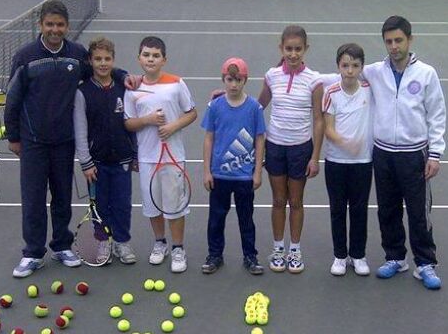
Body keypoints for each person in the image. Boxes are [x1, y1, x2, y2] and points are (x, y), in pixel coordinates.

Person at [5, 0, 132, 278]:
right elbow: (12, 99)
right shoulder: (25, 57)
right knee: (34, 198)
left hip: (64, 142)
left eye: (60, 25)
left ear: (67, 27)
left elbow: (101, 70)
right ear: (41, 25)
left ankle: (62, 246)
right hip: (33, 141)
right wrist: (13, 135)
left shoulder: (76, 55)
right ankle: (33, 253)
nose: (54, 29)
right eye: (49, 24)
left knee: (62, 197)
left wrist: (122, 74)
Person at [362, 15, 446, 290]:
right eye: (389, 41)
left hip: (415, 155)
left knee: (419, 212)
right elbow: (342, 74)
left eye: (399, 40)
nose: (394, 46)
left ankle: (425, 263)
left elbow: (436, 114)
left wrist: (435, 153)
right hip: (383, 153)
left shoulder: (426, 74)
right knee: (387, 209)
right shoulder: (374, 71)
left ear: (410, 40)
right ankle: (395, 257)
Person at [123, 36, 197, 273]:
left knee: (175, 207)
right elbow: (129, 123)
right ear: (139, 58)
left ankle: (178, 249)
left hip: (173, 157)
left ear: (164, 60)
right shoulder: (133, 89)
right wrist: (149, 120)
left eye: (156, 55)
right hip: (147, 158)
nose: (150, 59)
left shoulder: (176, 83)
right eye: (146, 55)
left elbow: (191, 113)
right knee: (153, 207)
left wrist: (172, 126)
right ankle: (160, 244)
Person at [258, 25, 324, 274]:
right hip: (275, 147)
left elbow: (319, 120)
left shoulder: (314, 81)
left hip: (300, 149)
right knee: (277, 200)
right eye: (289, 49)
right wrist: (227, 98)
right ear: (281, 48)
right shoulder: (272, 75)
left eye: (298, 49)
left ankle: (294, 249)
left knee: (295, 201)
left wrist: (315, 157)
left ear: (306, 49)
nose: (293, 54)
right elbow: (258, 106)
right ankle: (278, 248)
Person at [73, 37, 138, 265]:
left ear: (113, 60)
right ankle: (103, 241)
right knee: (99, 206)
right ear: (90, 61)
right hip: (96, 164)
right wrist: (86, 162)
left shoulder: (123, 88)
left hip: (122, 160)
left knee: (122, 203)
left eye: (107, 59)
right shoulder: (83, 93)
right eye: (98, 59)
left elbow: (132, 124)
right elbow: (80, 130)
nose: (102, 63)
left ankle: (121, 241)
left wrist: (135, 154)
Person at [200, 57, 266, 275]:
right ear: (223, 80)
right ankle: (215, 255)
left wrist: (257, 172)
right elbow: (209, 138)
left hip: (244, 177)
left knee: (246, 219)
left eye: (238, 80)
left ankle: (250, 256)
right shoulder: (215, 106)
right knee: (216, 219)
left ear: (245, 80)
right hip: (219, 176)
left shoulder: (254, 108)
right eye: (230, 79)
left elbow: (259, 139)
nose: (234, 84)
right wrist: (207, 170)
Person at [322, 43, 374, 277]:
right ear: (338, 67)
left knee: (359, 210)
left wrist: (358, 148)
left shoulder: (370, 89)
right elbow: (328, 129)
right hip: (336, 162)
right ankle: (340, 256)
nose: (350, 70)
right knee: (337, 210)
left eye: (355, 65)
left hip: (363, 162)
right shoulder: (331, 93)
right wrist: (346, 143)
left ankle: (358, 255)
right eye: (345, 65)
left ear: (362, 67)